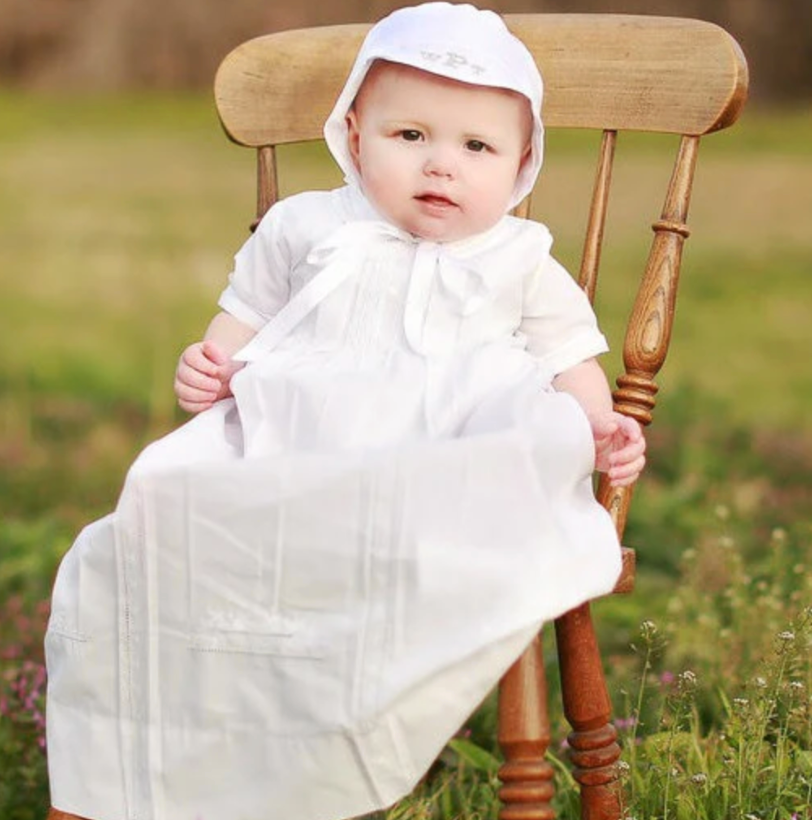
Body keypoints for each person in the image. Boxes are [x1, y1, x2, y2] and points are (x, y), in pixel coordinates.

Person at [45, 4, 645, 820]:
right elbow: (237, 330)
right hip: (302, 449)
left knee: (533, 441)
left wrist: (602, 430)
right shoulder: (307, 225)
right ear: (355, 135)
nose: (442, 165)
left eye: (477, 147)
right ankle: (179, 759)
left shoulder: (520, 259)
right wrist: (206, 369)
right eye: (411, 138)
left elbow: (572, 365)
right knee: (164, 493)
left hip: (446, 462)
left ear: (522, 163)